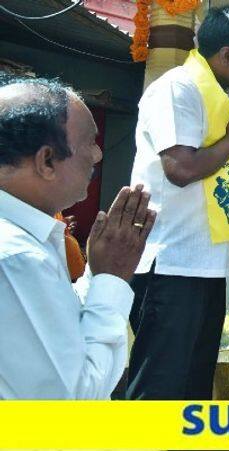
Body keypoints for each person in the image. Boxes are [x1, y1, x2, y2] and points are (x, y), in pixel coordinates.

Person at [128, 6, 229, 400]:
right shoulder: (178, 89)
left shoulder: (215, 96)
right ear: (227, 54)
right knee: (160, 391)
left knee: (193, 388)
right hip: (172, 265)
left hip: (204, 267)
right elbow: (179, 168)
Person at [0, 78, 155, 399]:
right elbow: (71, 399)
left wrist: (96, 276)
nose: (97, 154)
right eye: (89, 141)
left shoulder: (26, 243)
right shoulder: (17, 256)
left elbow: (61, 335)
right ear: (47, 161)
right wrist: (112, 279)